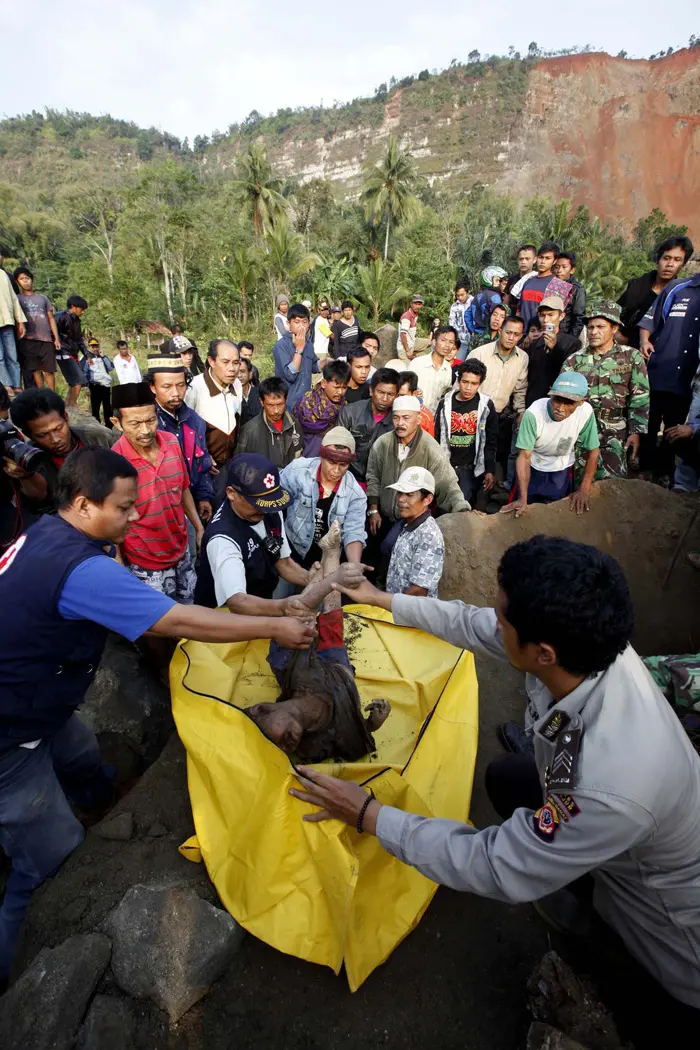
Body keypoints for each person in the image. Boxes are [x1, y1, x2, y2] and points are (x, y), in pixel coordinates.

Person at [289, 535, 700, 1019]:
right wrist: (385, 601)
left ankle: (599, 938)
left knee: (632, 992)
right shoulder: (590, 649)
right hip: (617, 824)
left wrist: (369, 814)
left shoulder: (611, 784)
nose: (493, 621)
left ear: (543, 652)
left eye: (505, 619)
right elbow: (474, 623)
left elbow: (494, 865)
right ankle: (577, 877)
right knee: (507, 778)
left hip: (668, 924)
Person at [0, 446, 315, 984]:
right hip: (10, 731)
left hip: (40, 702)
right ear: (82, 503)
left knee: (80, 752)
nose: (136, 516)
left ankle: (99, 803)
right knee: (45, 859)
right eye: (124, 508)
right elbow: (173, 621)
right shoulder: (82, 570)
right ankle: (18, 965)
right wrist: (275, 626)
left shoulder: (48, 533)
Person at [253, 523, 386, 762]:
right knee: (332, 615)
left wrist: (327, 579)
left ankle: (325, 566)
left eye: (276, 740)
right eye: (288, 746)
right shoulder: (314, 746)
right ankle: (330, 556)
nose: (287, 744)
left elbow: (298, 614)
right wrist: (373, 724)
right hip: (337, 673)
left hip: (299, 670)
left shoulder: (285, 670)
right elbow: (353, 741)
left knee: (298, 620)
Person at [111, 383, 203, 603]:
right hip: (144, 562)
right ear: (117, 423)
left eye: (150, 420)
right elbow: (112, 516)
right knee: (158, 624)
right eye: (135, 423)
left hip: (180, 551)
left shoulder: (171, 443)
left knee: (188, 610)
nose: (145, 430)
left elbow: (182, 489)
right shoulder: (114, 462)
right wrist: (118, 560)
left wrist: (199, 527)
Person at [195, 453, 312, 614]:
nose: (265, 510)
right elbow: (237, 601)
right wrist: (283, 607)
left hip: (261, 607)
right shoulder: (223, 539)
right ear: (231, 493)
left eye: (270, 502)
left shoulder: (269, 507)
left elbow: (283, 563)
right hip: (223, 620)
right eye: (257, 504)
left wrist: (314, 579)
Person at [366, 396, 471, 561]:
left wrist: (462, 509)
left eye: (406, 418)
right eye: (396, 417)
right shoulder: (383, 443)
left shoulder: (430, 448)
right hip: (383, 513)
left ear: (419, 419)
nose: (400, 423)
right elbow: (373, 476)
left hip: (411, 518)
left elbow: (447, 483)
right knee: (372, 551)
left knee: (391, 549)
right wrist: (373, 509)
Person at [562, 301, 649, 479]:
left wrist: (636, 432)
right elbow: (562, 398)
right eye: (591, 327)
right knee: (582, 482)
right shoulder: (574, 360)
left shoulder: (631, 357)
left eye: (601, 326)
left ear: (614, 328)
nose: (594, 332)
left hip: (616, 430)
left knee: (613, 485)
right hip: (582, 429)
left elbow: (640, 396)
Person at [501, 372, 599, 516]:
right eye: (557, 400)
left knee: (556, 514)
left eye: (569, 403)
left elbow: (593, 451)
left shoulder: (585, 412)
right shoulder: (534, 414)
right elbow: (524, 457)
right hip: (533, 467)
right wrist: (522, 498)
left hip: (561, 468)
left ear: (582, 402)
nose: (560, 407)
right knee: (522, 510)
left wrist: (584, 489)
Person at [637, 267, 700, 485]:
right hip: (660, 370)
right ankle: (644, 468)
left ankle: (664, 472)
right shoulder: (678, 288)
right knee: (649, 423)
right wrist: (644, 341)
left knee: (675, 427)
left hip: (690, 378)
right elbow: (649, 321)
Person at [9, 387, 113, 511]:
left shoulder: (99, 437)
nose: (55, 439)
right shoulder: (27, 460)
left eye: (58, 428)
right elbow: (39, 506)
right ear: (28, 434)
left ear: (66, 417)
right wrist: (27, 476)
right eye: (43, 435)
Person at [280, 427, 367, 570]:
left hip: (327, 558)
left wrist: (355, 565)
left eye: (343, 465)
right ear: (321, 456)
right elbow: (276, 503)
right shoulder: (298, 471)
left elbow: (354, 531)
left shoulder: (356, 495)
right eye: (332, 463)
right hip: (292, 549)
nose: (336, 470)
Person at [147, 351, 214, 526]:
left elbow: (202, 462)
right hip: (161, 512)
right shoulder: (147, 426)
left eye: (181, 385)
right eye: (167, 387)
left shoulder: (195, 421)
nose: (176, 393)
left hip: (191, 504)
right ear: (152, 387)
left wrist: (204, 497)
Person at [468, 315, 528, 476]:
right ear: (500, 331)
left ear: (521, 336)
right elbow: (462, 385)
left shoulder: (522, 358)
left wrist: (521, 412)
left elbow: (520, 389)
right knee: (471, 455)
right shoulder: (480, 353)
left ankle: (489, 487)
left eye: (516, 334)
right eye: (508, 332)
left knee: (492, 454)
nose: (511, 337)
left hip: (500, 415)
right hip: (474, 414)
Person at [435, 358, 498, 504]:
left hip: (471, 467)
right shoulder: (445, 403)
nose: (468, 388)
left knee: (465, 503)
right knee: (443, 503)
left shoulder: (485, 405)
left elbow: (491, 439)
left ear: (480, 384)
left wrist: (490, 470)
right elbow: (437, 436)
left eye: (474, 383)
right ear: (458, 380)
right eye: (465, 382)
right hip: (448, 464)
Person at [617, 235, 694, 349]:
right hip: (620, 348)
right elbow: (614, 310)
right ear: (658, 260)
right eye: (666, 258)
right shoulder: (637, 285)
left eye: (677, 260)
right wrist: (615, 334)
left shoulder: (681, 296)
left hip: (652, 352)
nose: (670, 264)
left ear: (682, 265)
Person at [384, 466, 445, 598]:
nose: (401, 499)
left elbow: (419, 591)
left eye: (409, 495)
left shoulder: (429, 536)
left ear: (427, 499)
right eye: (400, 493)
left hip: (410, 615)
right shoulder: (408, 525)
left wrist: (385, 603)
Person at [185, 338, 242, 471]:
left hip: (229, 462)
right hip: (203, 465)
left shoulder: (237, 385)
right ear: (211, 361)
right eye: (225, 362)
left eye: (236, 363)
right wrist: (202, 455)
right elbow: (185, 428)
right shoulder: (194, 387)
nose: (232, 369)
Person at [337, 367, 400, 484]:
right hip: (348, 478)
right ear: (371, 390)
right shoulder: (350, 412)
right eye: (380, 392)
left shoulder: (398, 421)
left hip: (381, 482)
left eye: (390, 394)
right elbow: (337, 449)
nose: (385, 399)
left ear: (397, 395)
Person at [524, 296, 581, 407]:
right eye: (542, 315)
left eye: (550, 315)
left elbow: (568, 374)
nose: (546, 320)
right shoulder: (535, 344)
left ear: (561, 316)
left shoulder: (572, 343)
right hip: (534, 403)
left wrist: (554, 348)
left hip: (558, 403)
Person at [236, 376, 303, 468]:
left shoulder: (294, 425)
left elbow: (299, 456)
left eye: (280, 404)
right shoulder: (249, 431)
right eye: (271, 405)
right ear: (262, 402)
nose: (276, 410)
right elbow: (240, 465)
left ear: (286, 400)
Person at [13, 266, 59, 391]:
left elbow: (51, 318)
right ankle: (42, 395)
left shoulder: (43, 298)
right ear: (18, 282)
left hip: (46, 339)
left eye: (27, 278)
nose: (25, 281)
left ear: (32, 279)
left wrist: (56, 338)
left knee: (49, 370)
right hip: (28, 339)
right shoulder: (17, 299)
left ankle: (52, 395)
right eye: (22, 279)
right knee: (35, 370)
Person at [293, 358, 350, 457]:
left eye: (344, 387)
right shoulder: (306, 403)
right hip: (304, 457)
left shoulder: (345, 407)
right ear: (324, 383)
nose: (340, 392)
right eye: (336, 387)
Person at [272, 302, 320, 410]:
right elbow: (290, 375)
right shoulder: (281, 346)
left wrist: (327, 363)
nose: (301, 326)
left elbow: (313, 366)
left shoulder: (308, 343)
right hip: (289, 403)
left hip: (306, 402)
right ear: (289, 324)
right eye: (297, 322)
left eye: (305, 322)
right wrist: (299, 349)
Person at [512, 242, 565, 329]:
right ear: (536, 258)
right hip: (521, 335)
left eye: (547, 258)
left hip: (540, 335)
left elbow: (555, 317)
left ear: (554, 261)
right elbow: (519, 309)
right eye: (541, 257)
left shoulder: (556, 286)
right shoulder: (528, 281)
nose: (543, 262)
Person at [410, 325, 458, 413]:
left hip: (434, 418)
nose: (447, 345)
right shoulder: (417, 364)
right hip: (415, 413)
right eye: (443, 340)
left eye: (451, 342)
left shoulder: (448, 369)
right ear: (434, 341)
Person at [54, 295, 89, 409]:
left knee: (74, 381)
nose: (83, 312)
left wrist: (87, 354)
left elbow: (79, 339)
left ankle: (68, 404)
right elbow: (53, 334)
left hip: (72, 352)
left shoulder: (77, 320)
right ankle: (73, 405)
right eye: (81, 309)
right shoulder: (60, 316)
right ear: (73, 307)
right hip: (63, 352)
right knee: (79, 379)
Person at [0, 252, 25, 394]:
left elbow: (14, 299)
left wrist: (20, 321)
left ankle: (16, 385)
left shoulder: (3, 275)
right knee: (0, 357)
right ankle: (6, 385)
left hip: (8, 320)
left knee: (12, 355)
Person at [552, 252, 586, 339]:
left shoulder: (577, 289)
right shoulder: (552, 285)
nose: (559, 270)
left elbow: (579, 317)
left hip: (565, 334)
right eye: (557, 267)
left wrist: (571, 339)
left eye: (564, 267)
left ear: (572, 270)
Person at [82, 338, 114, 428]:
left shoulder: (103, 357)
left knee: (107, 406)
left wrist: (103, 356)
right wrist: (85, 386)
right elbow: (84, 373)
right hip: (95, 385)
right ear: (89, 347)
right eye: (93, 346)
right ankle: (97, 426)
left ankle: (109, 425)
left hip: (105, 385)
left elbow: (110, 368)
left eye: (96, 346)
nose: (95, 348)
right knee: (95, 407)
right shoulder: (86, 358)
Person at [465, 267, 507, 336]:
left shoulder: (478, 295)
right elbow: (498, 317)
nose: (500, 284)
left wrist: (472, 330)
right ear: (489, 280)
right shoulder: (495, 297)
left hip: (477, 334)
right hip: (489, 335)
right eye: (497, 280)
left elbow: (467, 314)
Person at [397, 371, 435, 436]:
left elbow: (429, 444)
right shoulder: (389, 410)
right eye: (396, 395)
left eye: (402, 395)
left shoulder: (425, 417)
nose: (397, 399)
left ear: (414, 394)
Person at [396, 294, 425, 361]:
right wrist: (408, 351)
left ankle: (414, 353)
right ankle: (410, 354)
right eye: (415, 304)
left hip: (412, 342)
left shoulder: (415, 315)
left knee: (430, 342)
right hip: (404, 348)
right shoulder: (407, 317)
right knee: (408, 369)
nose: (417, 306)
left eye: (419, 304)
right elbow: (403, 334)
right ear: (411, 304)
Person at [448, 282, 472, 353]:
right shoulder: (454, 306)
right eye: (458, 295)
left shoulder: (474, 303)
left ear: (467, 293)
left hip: (474, 340)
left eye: (462, 295)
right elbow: (451, 324)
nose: (460, 297)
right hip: (460, 341)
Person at [239, 357, 261, 426]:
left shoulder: (260, 393)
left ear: (250, 374)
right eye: (236, 372)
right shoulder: (229, 396)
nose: (239, 375)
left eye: (242, 371)